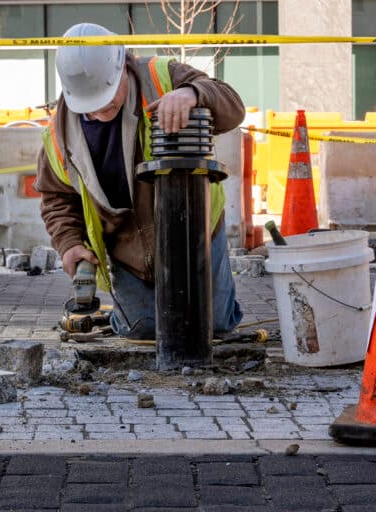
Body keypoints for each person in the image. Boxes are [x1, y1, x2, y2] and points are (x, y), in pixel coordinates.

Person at [35, 22, 245, 339]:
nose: (103, 107)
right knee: (144, 329)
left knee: (210, 325)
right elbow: (56, 198)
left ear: (123, 65)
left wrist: (192, 93)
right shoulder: (59, 134)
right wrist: (70, 244)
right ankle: (131, 311)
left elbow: (233, 106)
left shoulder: (161, 77)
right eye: (93, 104)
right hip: (126, 248)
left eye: (108, 95)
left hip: (193, 228)